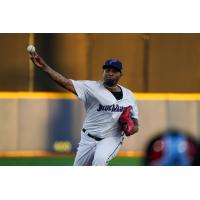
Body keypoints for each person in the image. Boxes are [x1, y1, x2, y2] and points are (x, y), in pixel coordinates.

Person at [30, 51, 139, 166]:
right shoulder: (91, 88)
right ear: (103, 72)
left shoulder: (129, 95)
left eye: (114, 71)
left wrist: (133, 128)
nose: (110, 73)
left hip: (111, 138)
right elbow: (65, 82)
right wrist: (45, 68)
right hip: (88, 138)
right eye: (107, 70)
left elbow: (135, 121)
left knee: (99, 161)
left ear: (120, 75)